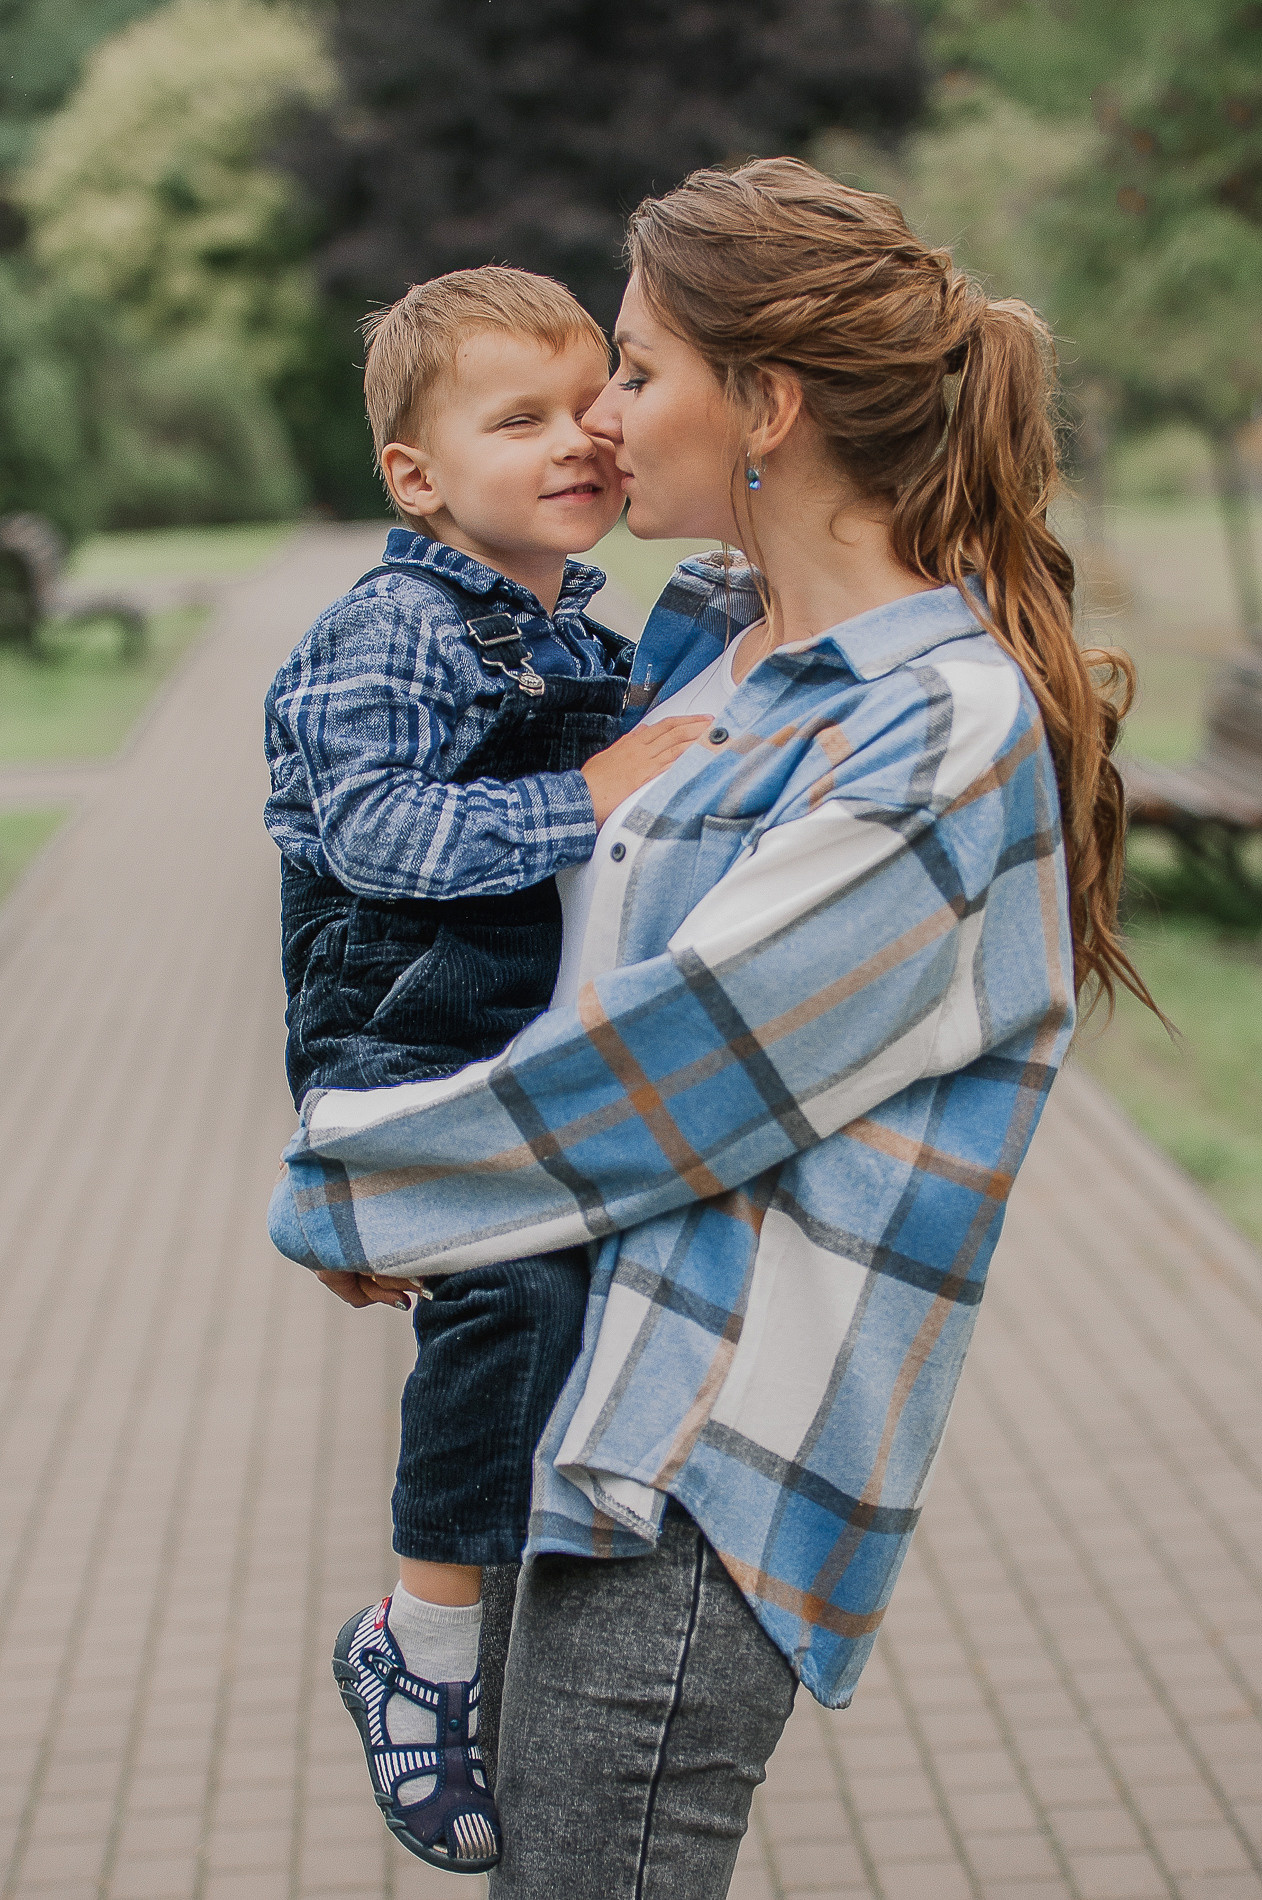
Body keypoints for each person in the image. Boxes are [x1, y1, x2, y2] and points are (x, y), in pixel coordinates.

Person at [270, 159, 1158, 1897]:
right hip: (580, 1401)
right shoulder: (726, 665)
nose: (601, 416)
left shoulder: (934, 730)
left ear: (768, 405)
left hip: (696, 1458)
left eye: (634, 366)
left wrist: (347, 1185)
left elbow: (668, 1075)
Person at [262, 266, 711, 1873]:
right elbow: (380, 836)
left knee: (555, 1304)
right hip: (402, 1019)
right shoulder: (385, 628)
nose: (579, 438)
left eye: (591, 403)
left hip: (504, 1024)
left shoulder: (555, 624)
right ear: (415, 475)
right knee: (510, 1303)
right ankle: (417, 1645)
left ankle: (478, 1604)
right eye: (516, 418)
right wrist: (585, 792)